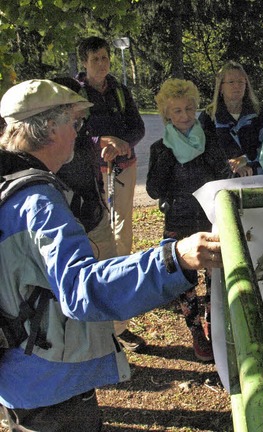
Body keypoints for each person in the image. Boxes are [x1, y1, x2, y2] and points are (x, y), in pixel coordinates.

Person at [0, 79, 223, 431]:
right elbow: (81, 290)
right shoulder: (39, 202)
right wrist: (173, 258)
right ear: (49, 128)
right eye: (73, 124)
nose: (78, 134)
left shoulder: (8, 184)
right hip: (51, 381)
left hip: (21, 376)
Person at [146, 79, 231, 362]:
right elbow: (154, 190)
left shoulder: (209, 140)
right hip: (178, 221)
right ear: (167, 115)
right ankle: (196, 332)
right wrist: (167, 161)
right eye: (177, 111)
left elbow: (224, 177)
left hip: (209, 219)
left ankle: (214, 324)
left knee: (215, 277)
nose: (184, 116)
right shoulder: (161, 148)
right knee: (184, 283)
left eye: (189, 109)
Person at [78, 36, 147, 351]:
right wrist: (99, 143)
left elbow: (137, 127)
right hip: (89, 177)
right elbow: (75, 132)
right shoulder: (75, 94)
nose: (102, 64)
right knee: (96, 242)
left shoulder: (120, 91)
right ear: (84, 62)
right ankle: (96, 322)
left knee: (123, 240)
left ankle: (119, 325)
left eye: (105, 58)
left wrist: (121, 143)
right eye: (95, 59)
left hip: (123, 171)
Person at [199, 61, 263, 176]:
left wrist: (247, 160)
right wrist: (229, 165)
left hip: (258, 178)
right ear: (221, 87)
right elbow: (205, 152)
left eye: (240, 82)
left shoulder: (260, 112)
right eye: (231, 82)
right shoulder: (209, 117)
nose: (236, 86)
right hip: (223, 181)